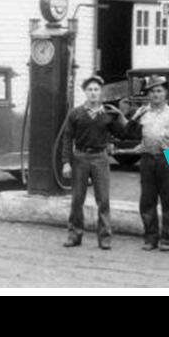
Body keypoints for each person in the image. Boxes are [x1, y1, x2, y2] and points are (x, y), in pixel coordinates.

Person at [61, 74, 128, 250]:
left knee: (103, 199)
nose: (93, 93)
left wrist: (121, 115)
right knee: (77, 199)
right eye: (90, 89)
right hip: (80, 157)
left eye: (96, 90)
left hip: (100, 158)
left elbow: (122, 133)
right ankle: (74, 235)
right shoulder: (75, 113)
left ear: (101, 92)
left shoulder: (108, 113)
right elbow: (67, 139)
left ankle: (105, 238)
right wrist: (66, 162)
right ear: (84, 92)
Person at [129, 75, 169, 251]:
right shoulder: (143, 113)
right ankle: (150, 239)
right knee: (147, 201)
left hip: (167, 161)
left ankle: (167, 240)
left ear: (166, 93)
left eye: (159, 91)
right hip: (147, 160)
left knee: (167, 202)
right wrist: (139, 146)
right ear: (148, 95)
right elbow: (138, 135)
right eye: (152, 91)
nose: (155, 95)